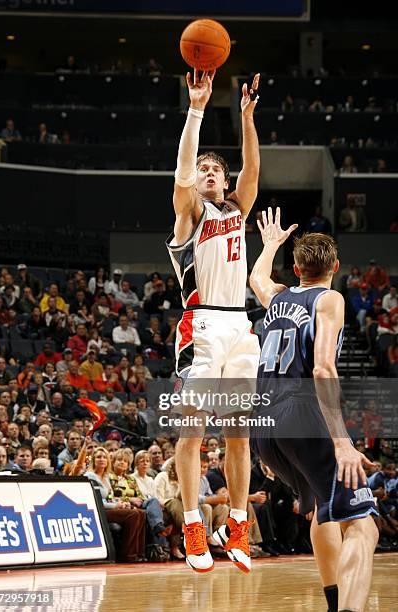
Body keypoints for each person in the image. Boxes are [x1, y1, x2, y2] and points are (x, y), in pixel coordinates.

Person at [249, 207, 378, 612]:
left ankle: (334, 602)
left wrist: (270, 245)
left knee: (327, 508)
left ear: (297, 267)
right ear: (335, 267)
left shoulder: (277, 297)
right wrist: (342, 442)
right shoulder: (330, 299)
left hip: (264, 425)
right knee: (364, 524)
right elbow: (323, 367)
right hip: (300, 411)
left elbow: (256, 278)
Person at [165, 68, 261, 573]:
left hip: (240, 328)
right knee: (193, 435)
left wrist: (246, 117)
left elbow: (252, 171)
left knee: (239, 435)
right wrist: (197, 107)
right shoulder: (189, 213)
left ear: (223, 182)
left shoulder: (238, 211)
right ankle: (193, 526)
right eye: (202, 170)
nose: (206, 174)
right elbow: (182, 172)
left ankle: (239, 526)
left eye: (213, 171)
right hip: (200, 326)